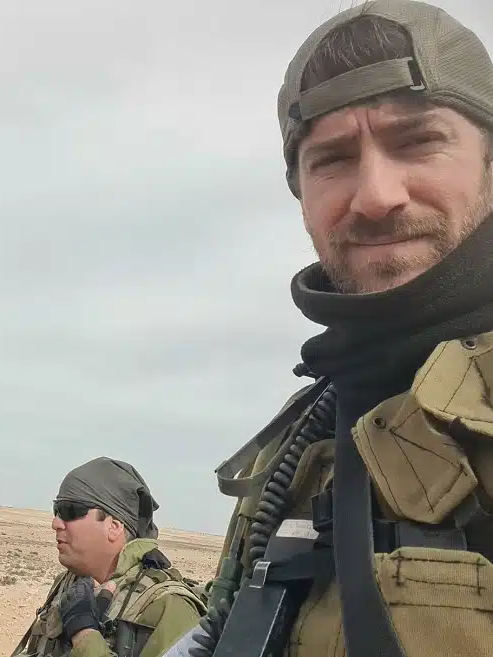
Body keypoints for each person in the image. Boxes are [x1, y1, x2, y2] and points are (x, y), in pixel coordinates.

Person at [187, 2, 493, 657]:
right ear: (301, 194)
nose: (375, 195)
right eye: (332, 159)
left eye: (416, 142)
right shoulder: (300, 439)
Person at [11, 457, 206, 657]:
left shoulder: (170, 607)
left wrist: (84, 634)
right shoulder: (69, 583)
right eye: (57, 510)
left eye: (70, 511)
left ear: (114, 527)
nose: (56, 523)